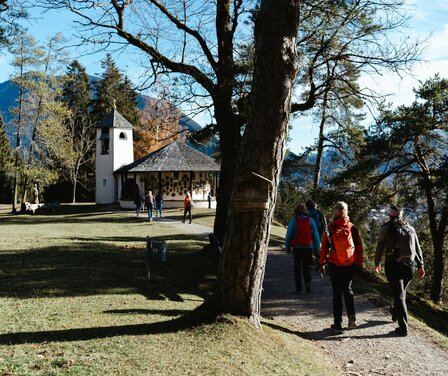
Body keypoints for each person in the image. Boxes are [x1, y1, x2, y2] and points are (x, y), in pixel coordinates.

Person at [374, 204, 425, 337]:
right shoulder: (410, 228)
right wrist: (421, 265)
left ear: (390, 215)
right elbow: (417, 248)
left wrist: (376, 263)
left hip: (393, 265)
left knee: (399, 296)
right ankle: (395, 312)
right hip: (410, 266)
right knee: (400, 294)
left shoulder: (386, 228)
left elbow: (380, 246)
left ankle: (403, 328)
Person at [319, 201, 363, 333]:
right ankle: (352, 318)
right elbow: (359, 248)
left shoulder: (331, 228)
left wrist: (321, 263)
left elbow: (324, 248)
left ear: (336, 212)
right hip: (349, 264)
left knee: (337, 293)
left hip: (335, 264)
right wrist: (359, 264)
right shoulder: (352, 228)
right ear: (346, 212)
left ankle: (337, 323)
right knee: (347, 290)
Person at [285, 203, 321, 293]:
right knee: (306, 266)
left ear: (295, 211)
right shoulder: (311, 220)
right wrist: (316, 248)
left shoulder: (294, 221)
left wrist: (287, 247)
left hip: (297, 248)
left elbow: (289, 235)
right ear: (306, 210)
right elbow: (315, 235)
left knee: (297, 267)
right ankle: (308, 283)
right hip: (308, 247)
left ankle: (298, 288)